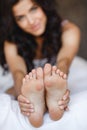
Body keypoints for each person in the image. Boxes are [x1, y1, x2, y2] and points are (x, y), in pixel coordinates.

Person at [0, 0, 80, 127]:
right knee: (11, 92)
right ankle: (35, 102)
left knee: (53, 81)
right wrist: (23, 95)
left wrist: (58, 76)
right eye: (21, 18)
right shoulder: (11, 43)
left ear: (44, 6)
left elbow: (64, 61)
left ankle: (49, 93)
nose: (31, 21)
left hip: (53, 78)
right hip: (27, 82)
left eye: (33, 9)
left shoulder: (69, 30)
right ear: (14, 22)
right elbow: (18, 72)